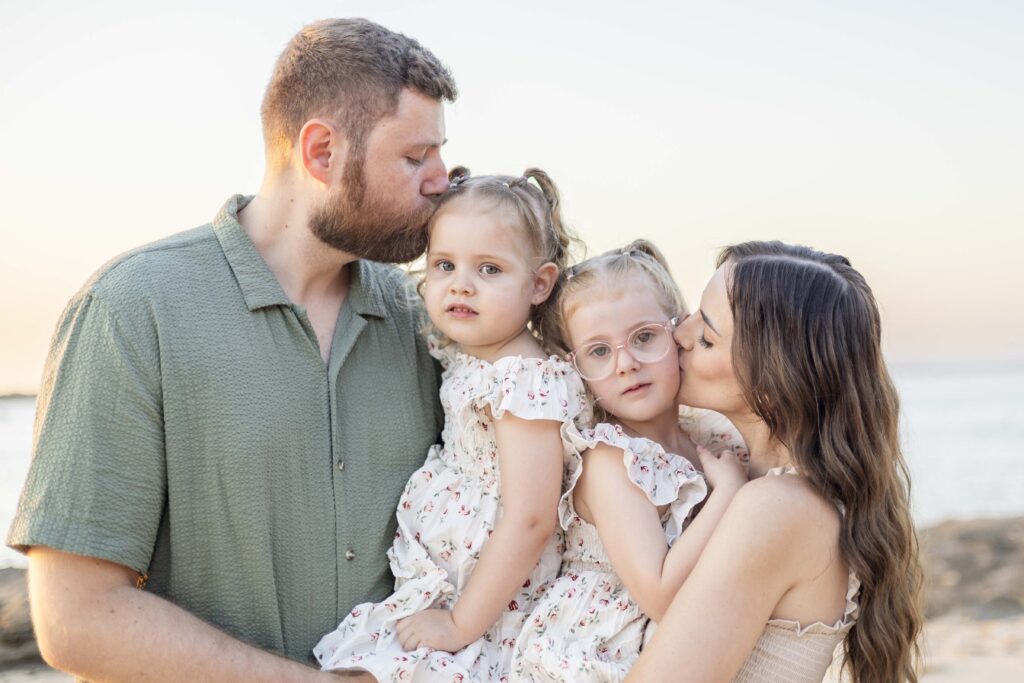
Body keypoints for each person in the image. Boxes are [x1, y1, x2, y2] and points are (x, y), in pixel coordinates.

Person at [6, 18, 457, 682]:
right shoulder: (130, 309)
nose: (442, 180)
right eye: (415, 157)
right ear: (322, 152)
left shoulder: (430, 322)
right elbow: (77, 619)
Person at [312, 167, 590, 681]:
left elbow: (532, 517)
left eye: (489, 270)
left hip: (488, 603)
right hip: (451, 581)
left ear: (539, 284)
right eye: (444, 265)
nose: (461, 284)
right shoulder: (475, 356)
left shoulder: (522, 381)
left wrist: (461, 623)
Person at [627, 241, 924, 683]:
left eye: (706, 338)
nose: (679, 335)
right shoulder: (785, 489)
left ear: (772, 384)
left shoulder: (777, 507)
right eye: (692, 315)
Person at [509, 241, 748, 681]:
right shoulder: (610, 461)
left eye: (644, 338)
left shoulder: (705, 438)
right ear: (574, 366)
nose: (625, 364)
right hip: (600, 653)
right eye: (599, 351)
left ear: (677, 334)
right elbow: (659, 594)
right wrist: (729, 492)